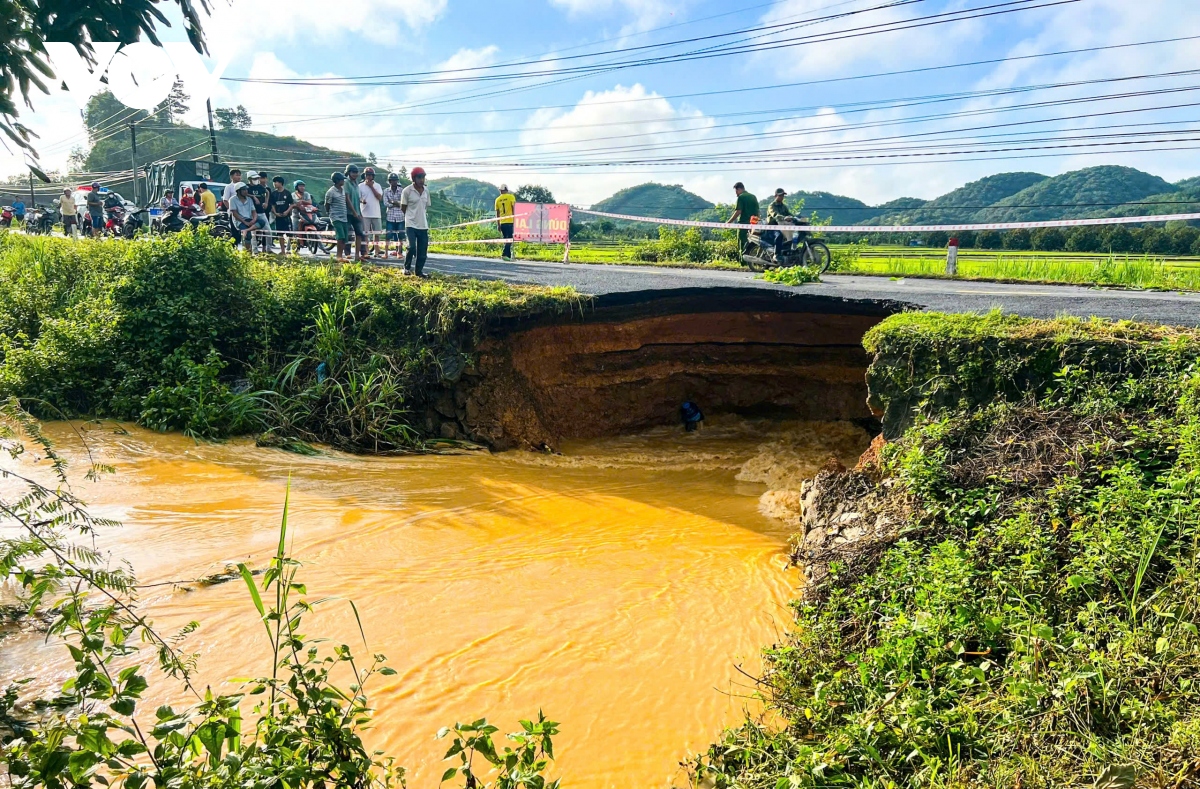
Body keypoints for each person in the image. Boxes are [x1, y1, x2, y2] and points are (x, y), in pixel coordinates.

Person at [401, 166, 431, 276]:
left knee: (422, 252)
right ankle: (406, 267)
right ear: (414, 178)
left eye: (423, 177)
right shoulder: (407, 191)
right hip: (410, 224)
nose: (422, 180)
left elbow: (425, 206)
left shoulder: (426, 191)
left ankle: (419, 272)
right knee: (411, 247)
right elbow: (403, 207)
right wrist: (410, 217)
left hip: (423, 224)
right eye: (419, 177)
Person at [323, 172, 353, 260]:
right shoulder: (331, 192)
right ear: (336, 180)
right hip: (336, 217)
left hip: (344, 217)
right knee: (340, 236)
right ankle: (338, 256)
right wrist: (330, 213)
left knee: (345, 237)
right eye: (341, 179)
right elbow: (327, 204)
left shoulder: (343, 189)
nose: (343, 181)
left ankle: (341, 255)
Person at [727, 181, 759, 256]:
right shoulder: (753, 196)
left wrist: (729, 222)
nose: (736, 194)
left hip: (743, 225)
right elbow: (757, 212)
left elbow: (738, 211)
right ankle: (751, 261)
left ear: (738, 189)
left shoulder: (741, 197)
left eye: (736, 191)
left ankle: (743, 261)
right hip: (753, 225)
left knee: (742, 243)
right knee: (752, 242)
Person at [359, 167, 383, 257]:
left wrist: (371, 187)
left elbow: (379, 197)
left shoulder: (377, 186)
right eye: (367, 175)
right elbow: (359, 197)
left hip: (376, 213)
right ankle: (366, 251)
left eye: (370, 175)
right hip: (365, 213)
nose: (368, 177)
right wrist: (362, 201)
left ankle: (377, 251)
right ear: (364, 176)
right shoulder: (360, 186)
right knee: (366, 234)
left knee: (377, 233)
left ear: (373, 176)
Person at [343, 164, 366, 261]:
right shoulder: (346, 182)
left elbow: (355, 198)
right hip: (348, 212)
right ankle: (347, 254)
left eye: (356, 172)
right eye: (353, 172)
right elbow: (347, 198)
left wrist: (358, 211)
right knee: (347, 234)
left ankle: (357, 255)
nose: (355, 174)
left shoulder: (356, 183)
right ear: (348, 172)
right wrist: (353, 211)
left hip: (357, 211)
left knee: (359, 233)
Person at [765, 188, 795, 258]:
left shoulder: (783, 206)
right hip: (773, 227)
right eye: (780, 195)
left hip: (782, 226)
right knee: (779, 235)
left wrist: (795, 217)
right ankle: (776, 255)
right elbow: (775, 214)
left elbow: (789, 214)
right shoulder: (771, 206)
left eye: (783, 195)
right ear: (775, 196)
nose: (782, 197)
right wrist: (784, 218)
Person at [229, 182, 259, 251]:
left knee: (262, 222)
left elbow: (254, 211)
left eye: (246, 189)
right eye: (244, 190)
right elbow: (235, 214)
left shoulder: (249, 199)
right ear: (238, 191)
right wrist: (244, 222)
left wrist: (254, 219)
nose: (246, 191)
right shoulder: (232, 199)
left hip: (249, 220)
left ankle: (247, 230)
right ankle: (248, 252)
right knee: (248, 236)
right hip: (239, 221)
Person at [246, 171, 270, 252]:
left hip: (261, 211)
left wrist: (266, 202)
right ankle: (255, 250)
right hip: (251, 212)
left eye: (257, 178)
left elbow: (267, 192)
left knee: (268, 231)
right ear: (249, 179)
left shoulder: (260, 187)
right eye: (254, 178)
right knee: (253, 233)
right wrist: (253, 196)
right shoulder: (246, 187)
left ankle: (268, 249)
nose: (256, 180)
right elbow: (244, 193)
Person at [383, 173, 405, 259]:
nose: (394, 182)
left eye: (395, 180)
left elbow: (403, 203)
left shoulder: (402, 191)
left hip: (400, 216)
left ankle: (399, 252)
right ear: (389, 181)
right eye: (392, 180)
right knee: (388, 236)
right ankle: (385, 253)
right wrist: (396, 203)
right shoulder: (386, 191)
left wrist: (393, 202)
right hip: (390, 216)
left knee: (400, 236)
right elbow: (386, 203)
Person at [270, 176, 294, 250]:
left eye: (275, 182)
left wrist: (287, 211)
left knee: (290, 234)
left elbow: (292, 204)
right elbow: (272, 205)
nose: (274, 184)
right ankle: (282, 250)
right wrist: (275, 213)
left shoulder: (287, 193)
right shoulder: (273, 194)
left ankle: (290, 249)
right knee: (280, 234)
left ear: (280, 183)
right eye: (274, 182)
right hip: (278, 217)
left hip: (286, 217)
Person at [495, 183, 516, 260]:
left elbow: (497, 213)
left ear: (501, 190)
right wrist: (515, 219)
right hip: (510, 221)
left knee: (506, 239)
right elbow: (514, 208)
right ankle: (504, 254)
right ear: (506, 189)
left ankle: (508, 257)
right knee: (509, 239)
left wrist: (498, 224)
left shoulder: (497, 200)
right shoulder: (511, 197)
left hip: (502, 222)